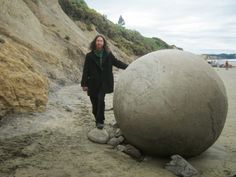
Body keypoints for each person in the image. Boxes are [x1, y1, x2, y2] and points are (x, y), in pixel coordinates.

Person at [81, 35, 128, 129]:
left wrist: (129, 66)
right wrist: (84, 84)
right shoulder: (89, 56)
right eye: (97, 41)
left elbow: (117, 62)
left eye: (101, 41)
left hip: (104, 82)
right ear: (95, 42)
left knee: (100, 100)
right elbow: (85, 70)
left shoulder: (108, 54)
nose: (99, 42)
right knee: (94, 103)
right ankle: (97, 117)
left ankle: (100, 121)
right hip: (93, 83)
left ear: (103, 43)